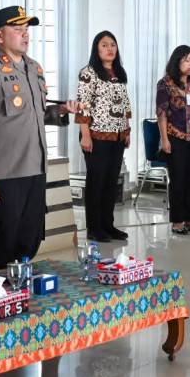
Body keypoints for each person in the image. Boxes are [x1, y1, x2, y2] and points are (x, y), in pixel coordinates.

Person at [0, 6, 76, 267]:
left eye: (26, 30)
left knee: (31, 237)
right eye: (17, 30)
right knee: (4, 241)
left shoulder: (34, 69)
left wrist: (59, 111)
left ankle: (19, 294)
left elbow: (33, 114)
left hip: (35, 168)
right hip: (4, 174)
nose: (25, 35)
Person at [76, 31, 132, 242]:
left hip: (117, 135)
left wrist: (126, 131)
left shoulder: (119, 72)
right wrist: (85, 135)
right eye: (104, 45)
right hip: (96, 135)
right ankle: (94, 228)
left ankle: (108, 225)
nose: (110, 49)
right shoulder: (89, 73)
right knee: (97, 182)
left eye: (113, 45)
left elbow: (125, 104)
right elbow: (84, 105)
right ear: (96, 49)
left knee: (111, 182)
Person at [157, 46, 190, 234]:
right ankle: (177, 221)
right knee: (178, 178)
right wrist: (164, 139)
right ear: (177, 61)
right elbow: (162, 113)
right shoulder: (165, 83)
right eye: (187, 60)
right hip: (176, 136)